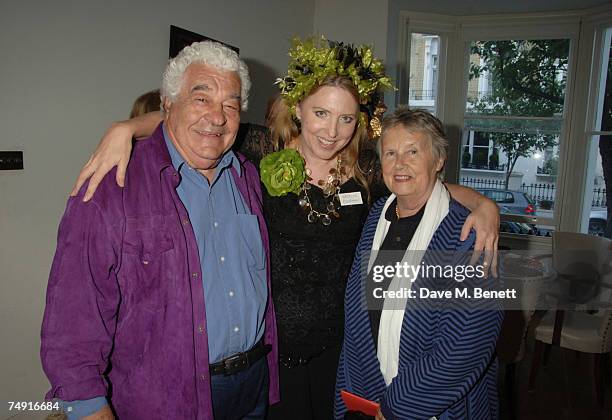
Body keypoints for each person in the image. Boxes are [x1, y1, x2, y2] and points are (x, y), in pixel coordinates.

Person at [68, 37, 500, 419]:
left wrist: (484, 204)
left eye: (346, 119)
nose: (332, 131)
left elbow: (416, 178)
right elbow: (200, 124)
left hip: (339, 353)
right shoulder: (260, 148)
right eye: (321, 113)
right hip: (272, 358)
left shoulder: (366, 168)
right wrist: (126, 128)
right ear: (298, 109)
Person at [41, 41, 279, 419]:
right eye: (201, 98)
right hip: (166, 398)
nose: (217, 117)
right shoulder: (112, 185)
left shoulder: (247, 176)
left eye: (230, 104)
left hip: (253, 387)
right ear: (167, 103)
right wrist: (88, 408)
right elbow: (72, 322)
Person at [335, 108, 503, 420]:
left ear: (438, 160)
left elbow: (464, 347)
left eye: (413, 151)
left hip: (431, 406)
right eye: (390, 152)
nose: (400, 163)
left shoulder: (468, 235)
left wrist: (395, 405)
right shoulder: (377, 219)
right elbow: (360, 314)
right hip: (367, 397)